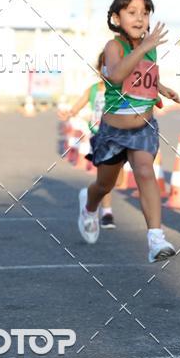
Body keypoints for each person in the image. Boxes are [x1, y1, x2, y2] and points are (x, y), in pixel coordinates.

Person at [77, 0, 180, 262]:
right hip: (113, 132)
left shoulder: (150, 48)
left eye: (145, 13)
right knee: (105, 185)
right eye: (132, 12)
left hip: (143, 127)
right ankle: (89, 206)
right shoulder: (114, 47)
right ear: (116, 18)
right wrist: (143, 48)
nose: (139, 18)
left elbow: (143, 76)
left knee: (145, 172)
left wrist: (161, 88)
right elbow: (117, 75)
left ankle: (156, 240)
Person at [65, 53, 117, 228]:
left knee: (115, 179)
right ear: (99, 68)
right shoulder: (93, 90)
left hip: (120, 136)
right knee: (105, 176)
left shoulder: (121, 89)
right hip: (99, 137)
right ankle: (107, 212)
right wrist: (68, 113)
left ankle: (90, 196)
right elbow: (76, 107)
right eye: (105, 66)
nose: (108, 70)